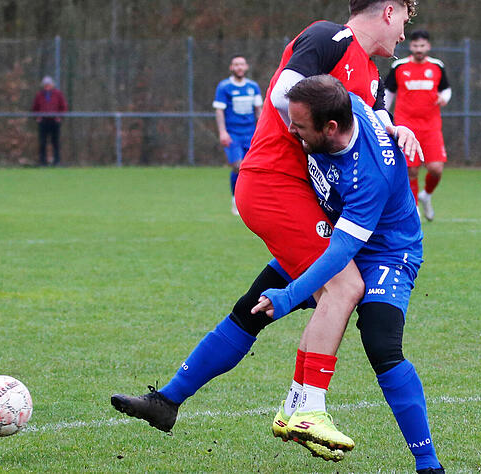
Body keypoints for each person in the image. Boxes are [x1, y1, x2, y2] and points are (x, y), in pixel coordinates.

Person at [111, 0, 421, 463]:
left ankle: (166, 401)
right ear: (390, 11)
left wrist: (397, 129)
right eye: (407, 20)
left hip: (302, 196)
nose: (405, 34)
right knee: (344, 285)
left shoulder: (372, 77)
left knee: (260, 300)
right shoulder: (329, 37)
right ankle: (306, 408)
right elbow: (284, 95)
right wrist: (312, 129)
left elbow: (368, 124)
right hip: (278, 182)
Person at [252, 74, 442, 473]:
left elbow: (340, 255)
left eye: (299, 126)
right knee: (247, 308)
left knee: (381, 344)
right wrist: (397, 124)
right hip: (333, 235)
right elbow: (374, 105)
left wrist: (289, 296)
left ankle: (428, 464)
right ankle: (170, 400)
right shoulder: (343, 102)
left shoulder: (368, 175)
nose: (290, 130)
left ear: (330, 128)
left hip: (388, 252)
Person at [384, 30, 451, 221]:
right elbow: (388, 93)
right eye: (415, 46)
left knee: (436, 169)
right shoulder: (399, 66)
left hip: (431, 127)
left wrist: (444, 98)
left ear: (428, 46)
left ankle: (426, 195)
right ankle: (413, 208)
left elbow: (446, 89)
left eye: (422, 46)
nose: (418, 49)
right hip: (407, 126)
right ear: (410, 46)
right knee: (411, 169)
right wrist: (384, 118)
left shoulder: (437, 66)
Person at [213, 56, 263, 215]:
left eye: (241, 64)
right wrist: (222, 132)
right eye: (236, 64)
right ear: (231, 67)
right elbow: (219, 110)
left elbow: (259, 110)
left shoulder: (253, 86)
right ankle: (236, 199)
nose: (239, 67)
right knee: (238, 166)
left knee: (252, 168)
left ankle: (250, 200)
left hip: (251, 134)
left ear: (246, 67)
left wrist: (262, 130)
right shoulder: (224, 87)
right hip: (233, 134)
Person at [31, 76, 68, 167]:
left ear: (52, 84)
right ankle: (43, 162)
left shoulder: (58, 94)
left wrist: (60, 117)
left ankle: (57, 162)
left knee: (55, 142)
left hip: (54, 121)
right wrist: (37, 117)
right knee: (42, 142)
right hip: (43, 121)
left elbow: (63, 107)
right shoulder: (39, 95)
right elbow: (35, 108)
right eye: (45, 85)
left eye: (49, 84)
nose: (47, 86)